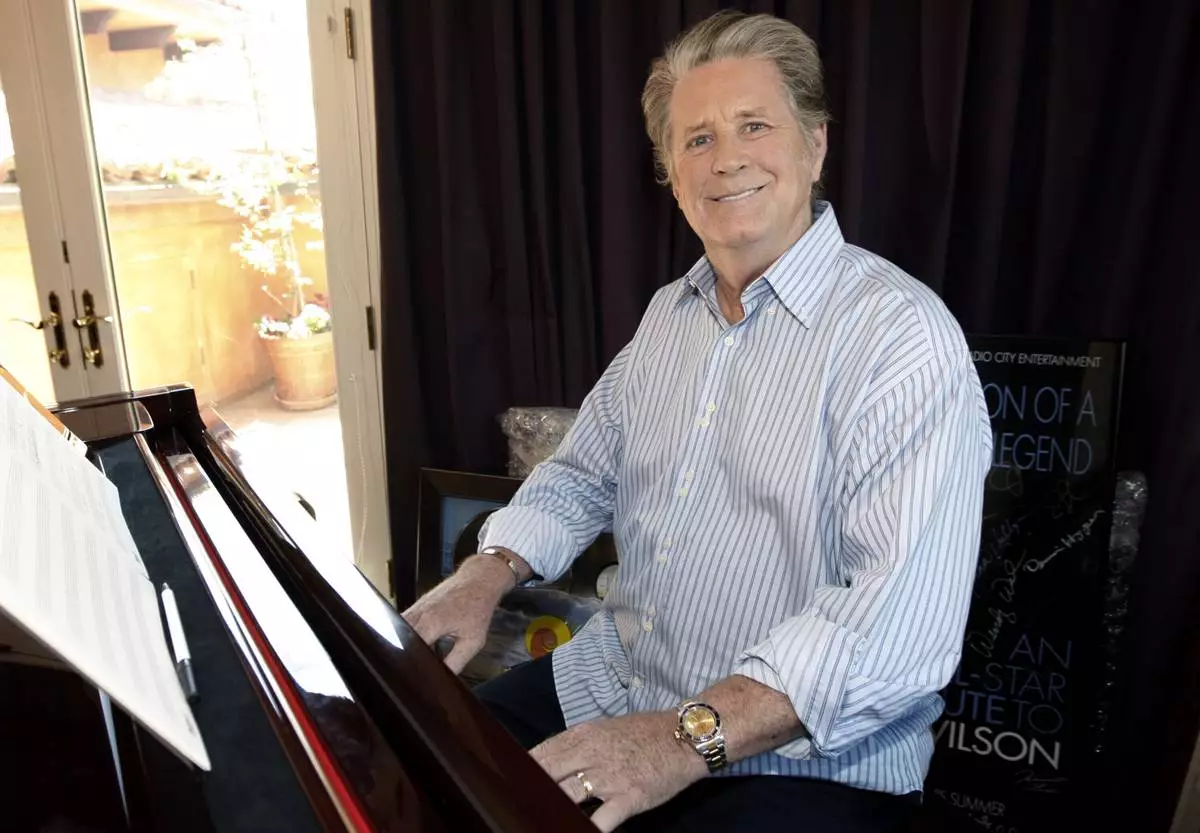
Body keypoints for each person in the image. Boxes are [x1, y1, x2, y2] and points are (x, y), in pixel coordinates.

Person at [402, 10, 992, 833]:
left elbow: (892, 632)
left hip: (803, 755)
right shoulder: (667, 316)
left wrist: (679, 740)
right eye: (698, 139)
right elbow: (582, 474)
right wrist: (486, 571)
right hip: (618, 681)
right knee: (426, 773)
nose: (727, 159)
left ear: (815, 145)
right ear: (672, 176)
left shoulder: (902, 338)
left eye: (755, 125)